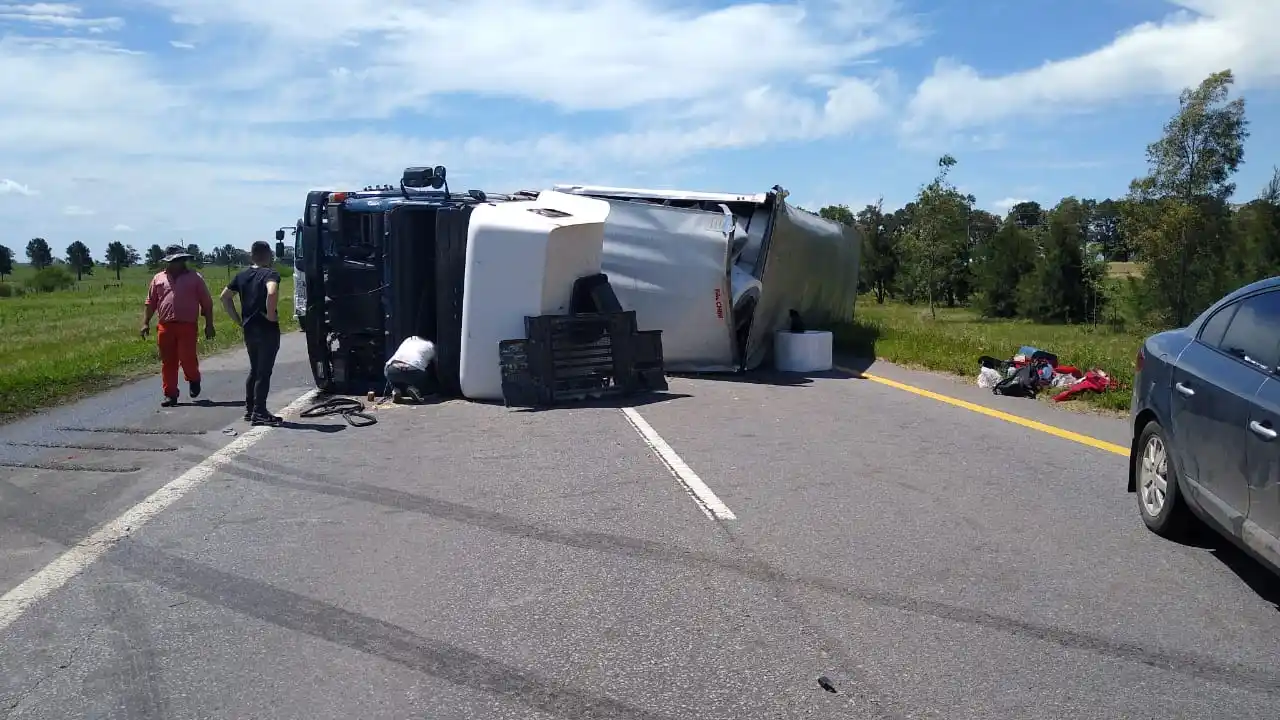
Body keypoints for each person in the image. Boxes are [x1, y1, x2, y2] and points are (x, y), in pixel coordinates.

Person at [142, 245, 215, 407]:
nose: (179, 263)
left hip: (187, 325)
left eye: (181, 259)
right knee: (168, 361)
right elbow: (151, 302)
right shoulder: (158, 278)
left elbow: (207, 303)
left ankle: (193, 378)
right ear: (168, 261)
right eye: (175, 260)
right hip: (165, 326)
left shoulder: (195, 278)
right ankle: (170, 394)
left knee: (187, 357)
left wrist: (209, 324)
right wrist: (145, 322)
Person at [221, 241, 283, 426]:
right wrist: (271, 316)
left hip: (249, 328)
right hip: (266, 328)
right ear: (269, 255)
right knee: (264, 372)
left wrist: (238, 320)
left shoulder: (241, 276)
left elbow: (224, 297)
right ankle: (260, 411)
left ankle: (250, 409)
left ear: (252, 255)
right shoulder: (270, 273)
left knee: (254, 369)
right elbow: (271, 292)